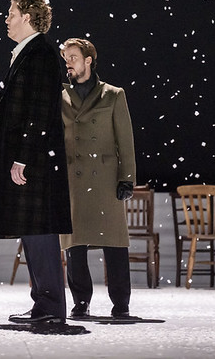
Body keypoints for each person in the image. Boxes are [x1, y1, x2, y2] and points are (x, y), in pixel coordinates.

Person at [0, 0, 72, 324]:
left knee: (40, 231)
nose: (7, 19)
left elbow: (39, 111)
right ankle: (43, 305)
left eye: (11, 14)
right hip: (33, 158)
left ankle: (50, 308)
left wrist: (23, 157)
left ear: (27, 18)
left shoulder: (41, 54)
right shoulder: (30, 53)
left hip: (36, 162)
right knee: (32, 232)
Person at [59, 38, 136, 319]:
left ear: (88, 60)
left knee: (115, 243)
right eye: (66, 58)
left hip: (104, 178)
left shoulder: (113, 95)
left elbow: (125, 140)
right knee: (74, 244)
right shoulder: (60, 96)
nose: (68, 63)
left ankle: (121, 302)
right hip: (73, 178)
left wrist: (127, 178)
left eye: (73, 57)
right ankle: (81, 301)